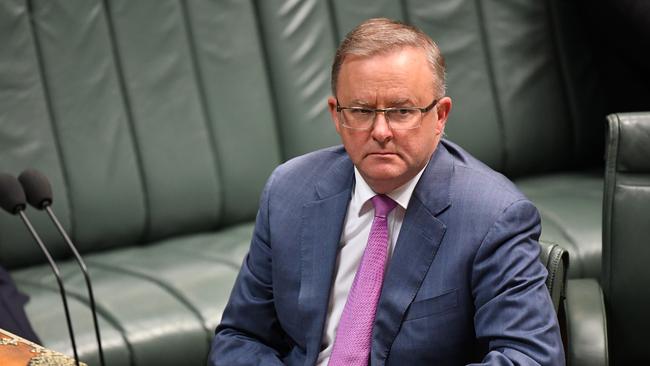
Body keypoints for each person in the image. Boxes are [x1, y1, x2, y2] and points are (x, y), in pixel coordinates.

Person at [208, 18, 564, 365]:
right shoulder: (289, 191)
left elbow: (529, 357)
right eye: (361, 111)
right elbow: (241, 337)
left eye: (401, 111)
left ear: (440, 116)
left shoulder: (493, 215)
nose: (380, 131)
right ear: (337, 115)